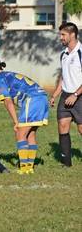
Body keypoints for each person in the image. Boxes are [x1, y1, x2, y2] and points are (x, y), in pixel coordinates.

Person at [0, 56, 49, 174]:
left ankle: (24, 169)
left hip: (33, 100)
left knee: (20, 133)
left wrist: (15, 122)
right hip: (42, 97)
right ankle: (29, 168)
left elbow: (8, 102)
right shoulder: (7, 75)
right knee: (30, 134)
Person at [50, 22, 82, 167]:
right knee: (63, 126)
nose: (60, 37)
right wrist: (55, 95)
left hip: (79, 97)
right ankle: (66, 162)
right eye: (60, 34)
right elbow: (64, 77)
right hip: (65, 96)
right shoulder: (63, 54)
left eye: (63, 35)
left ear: (72, 35)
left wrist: (75, 94)